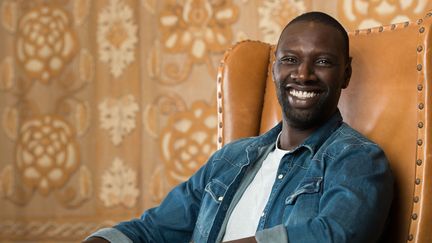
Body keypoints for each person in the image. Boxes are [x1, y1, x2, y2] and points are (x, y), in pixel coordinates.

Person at [84, 11, 393, 243]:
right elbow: (153, 230)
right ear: (274, 69)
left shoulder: (358, 159)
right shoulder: (229, 159)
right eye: (290, 59)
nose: (303, 74)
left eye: (323, 61)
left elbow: (336, 235)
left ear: (346, 74)